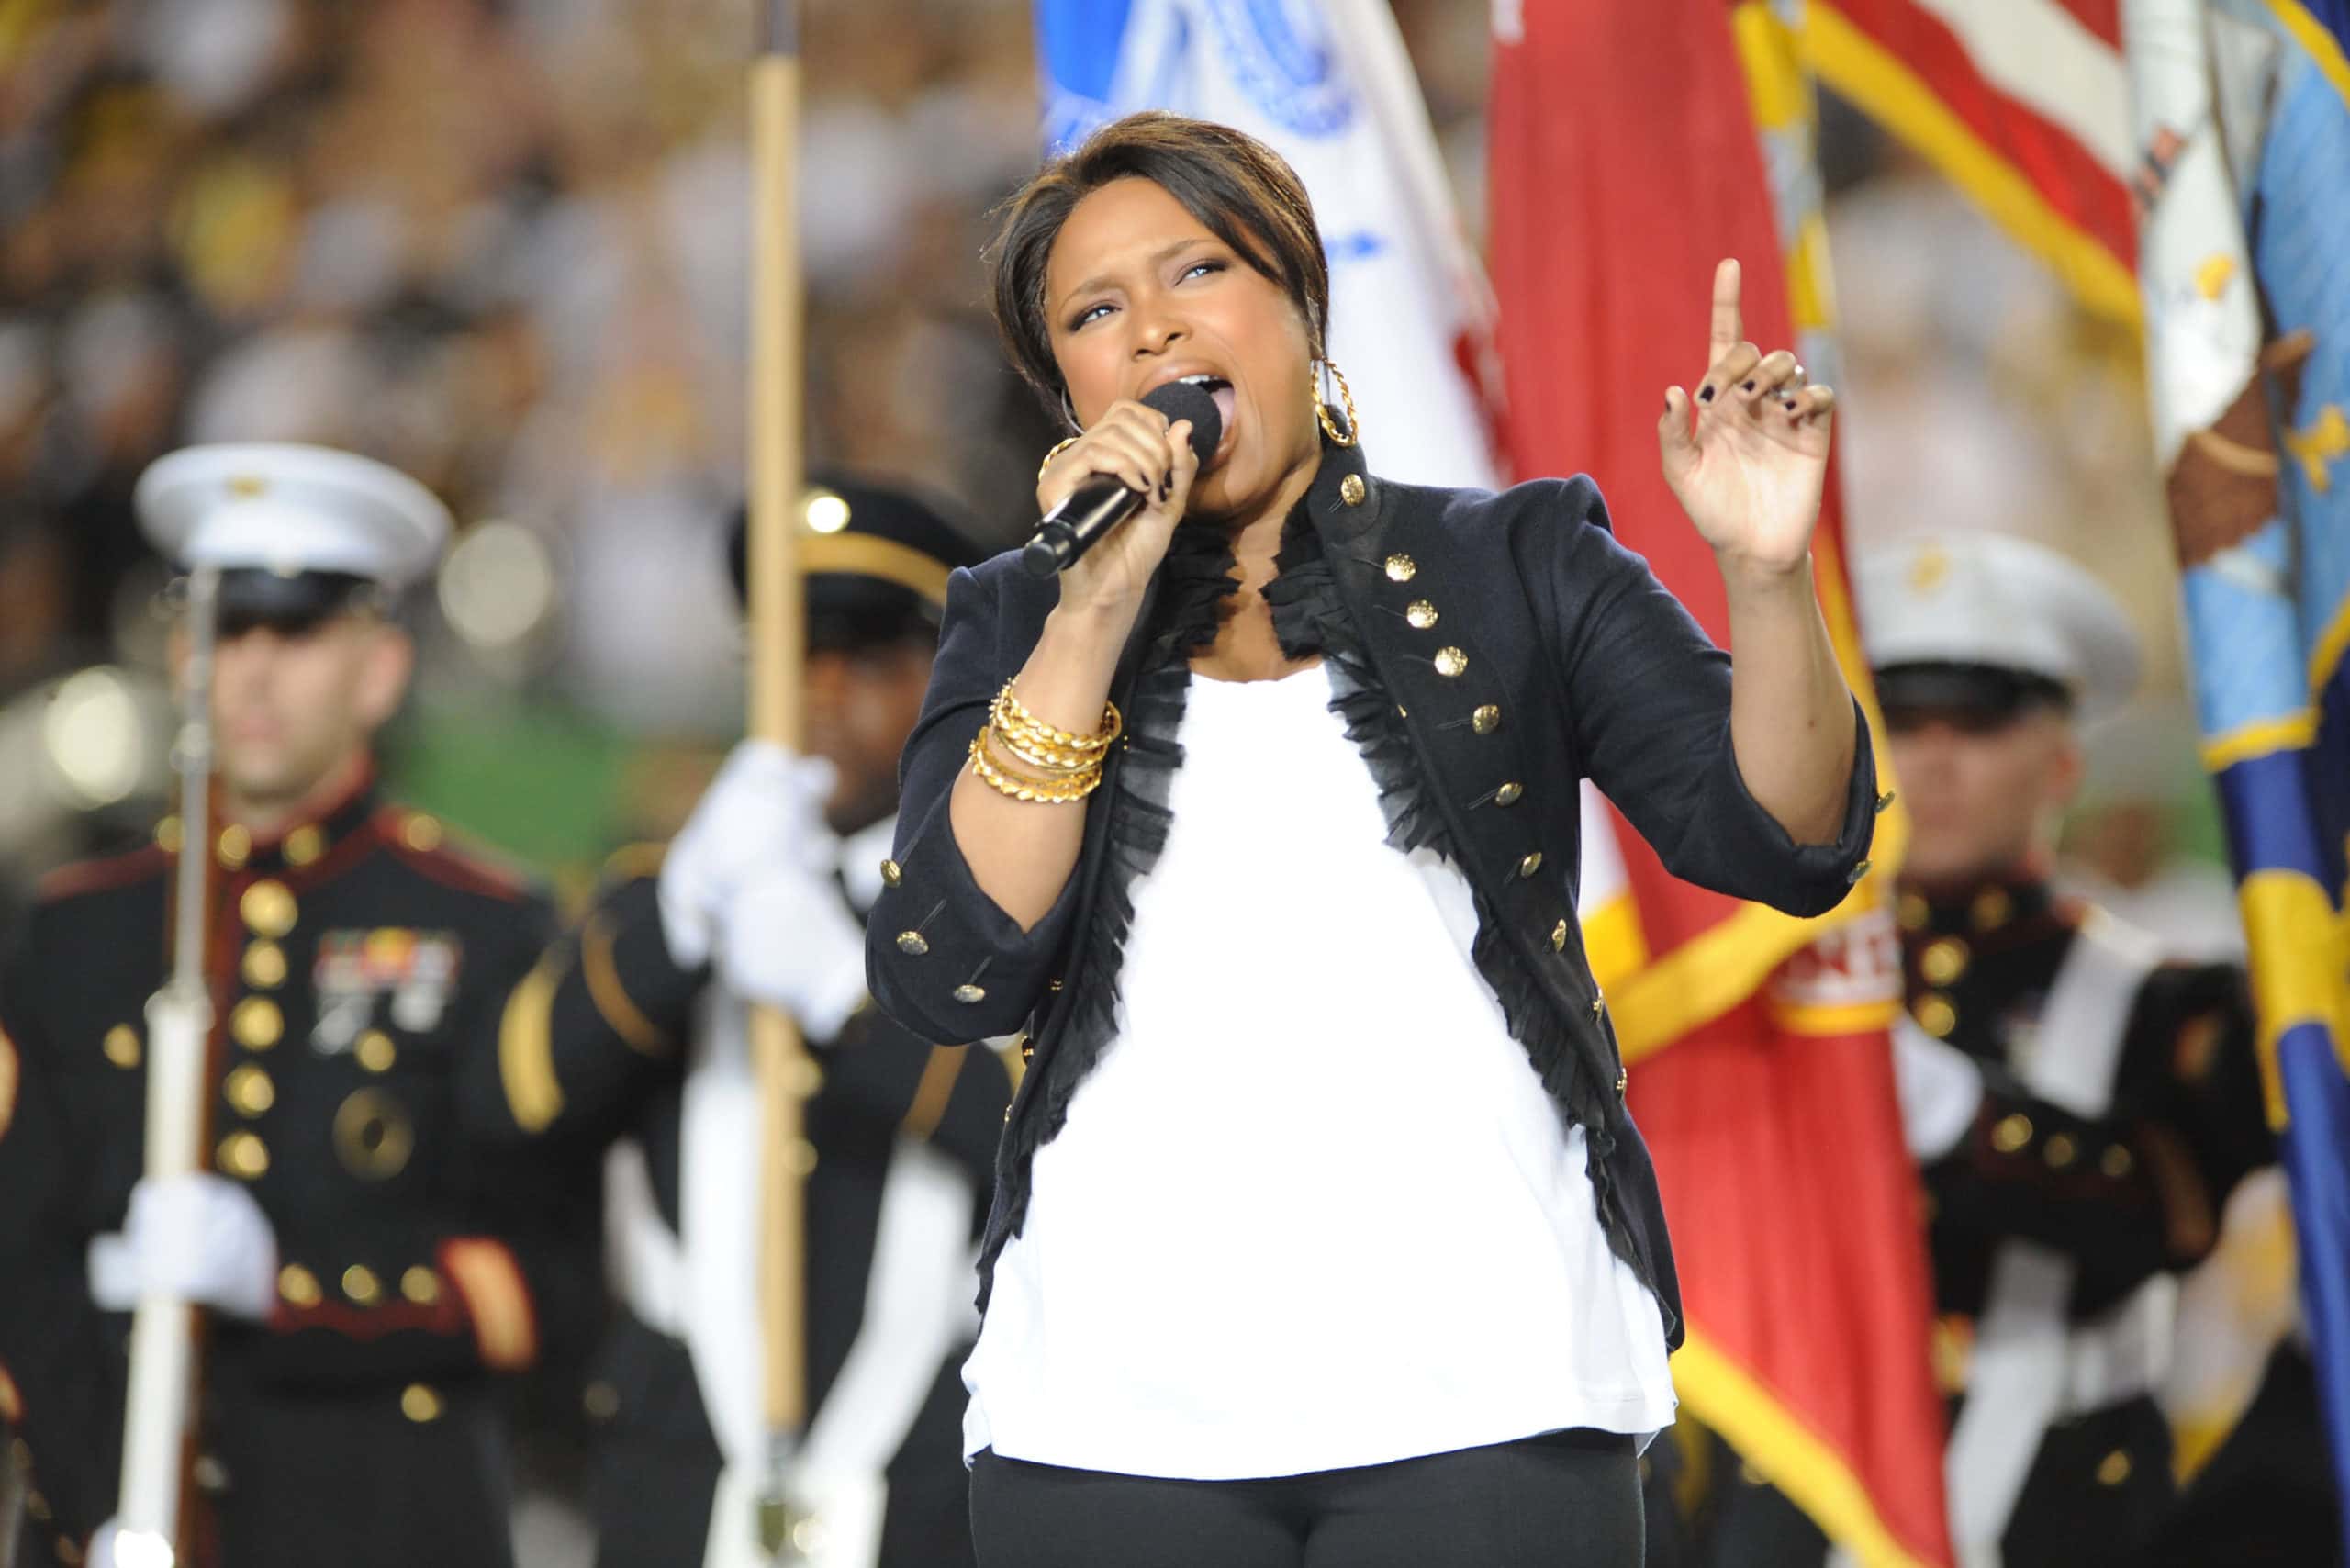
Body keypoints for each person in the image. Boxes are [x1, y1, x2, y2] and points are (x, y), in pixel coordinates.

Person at [861, 111, 1881, 1568]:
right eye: (1097, 313)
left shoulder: (1517, 561)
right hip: (1108, 1418)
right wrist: (1089, 608)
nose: (1153, 331)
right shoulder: (1022, 618)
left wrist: (1769, 577)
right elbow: (950, 972)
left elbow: (1785, 840)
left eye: (1196, 271)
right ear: (1068, 387)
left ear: (1298, 302)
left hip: (1489, 1398)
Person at [0, 442, 598, 1568]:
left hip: (382, 1518)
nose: (254, 673)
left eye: (298, 632)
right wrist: (95, 1513)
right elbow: (19, 1249)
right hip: (117, 1509)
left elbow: (548, 1288)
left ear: (378, 666)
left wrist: (288, 1290)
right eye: (229, 632)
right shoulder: (79, 927)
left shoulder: (484, 924)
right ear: (183, 655)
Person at [1693, 529, 2286, 1568]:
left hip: (2056, 1496)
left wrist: (1954, 1115)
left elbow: (2168, 1213)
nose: (1932, 758)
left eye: (1975, 721)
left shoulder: (2168, 1001)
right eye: (1903, 719)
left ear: (2060, 758)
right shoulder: (1767, 977)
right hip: (1791, 1483)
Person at [467, 479, 1011, 1568]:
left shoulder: (1007, 914)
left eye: (861, 655)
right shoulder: (661, 896)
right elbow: (509, 1103)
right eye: (785, 655)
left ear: (949, 680)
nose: (815, 690)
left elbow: (1041, 1147)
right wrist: (680, 920)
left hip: (926, 1480)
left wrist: (853, 1001)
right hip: (679, 1474)